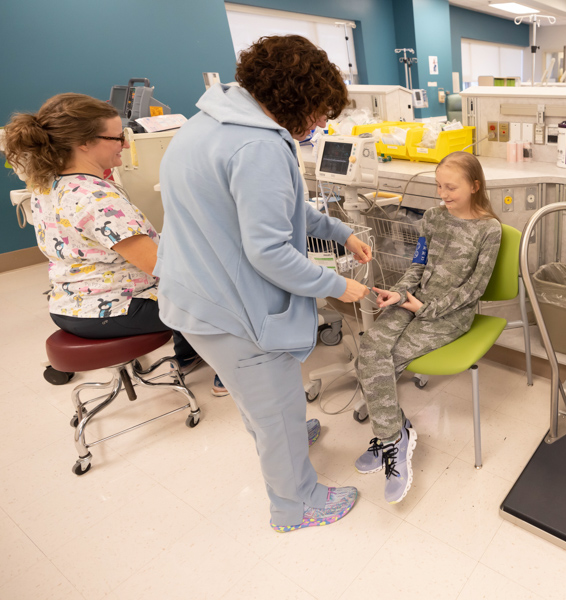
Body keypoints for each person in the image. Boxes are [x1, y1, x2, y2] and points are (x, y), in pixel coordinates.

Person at [155, 35, 371, 532]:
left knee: (259, 398)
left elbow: (278, 211)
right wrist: (339, 288)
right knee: (273, 404)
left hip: (193, 294)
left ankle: (288, 432)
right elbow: (270, 250)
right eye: (319, 111)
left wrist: (339, 232)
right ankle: (296, 505)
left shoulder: (209, 123)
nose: (321, 124)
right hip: (229, 306)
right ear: (295, 97)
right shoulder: (260, 147)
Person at [2, 93, 213, 382]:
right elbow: (163, 269)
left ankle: (190, 354)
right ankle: (228, 372)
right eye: (117, 138)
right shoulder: (98, 198)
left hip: (68, 305)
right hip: (116, 309)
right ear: (84, 143)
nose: (126, 144)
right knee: (212, 293)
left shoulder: (48, 185)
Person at [355, 151, 502, 504]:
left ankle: (392, 439)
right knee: (370, 350)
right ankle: (395, 437)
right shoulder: (433, 219)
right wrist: (400, 293)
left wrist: (428, 308)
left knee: (384, 363)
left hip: (451, 313)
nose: (443, 194)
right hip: (413, 299)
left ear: (474, 186)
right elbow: (417, 266)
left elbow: (474, 290)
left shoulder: (489, 230)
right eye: (439, 186)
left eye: (451, 187)